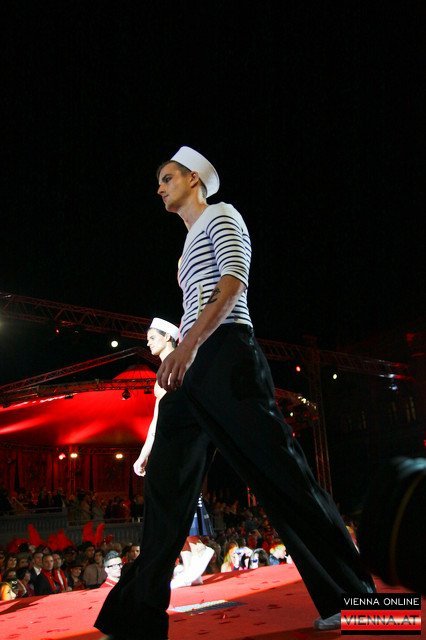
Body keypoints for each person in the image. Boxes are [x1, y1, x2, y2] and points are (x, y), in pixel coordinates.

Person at [95, 146, 375, 640]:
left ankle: (357, 601)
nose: (159, 187)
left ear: (194, 179)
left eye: (167, 177)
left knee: (283, 476)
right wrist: (184, 352)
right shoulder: (184, 250)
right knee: (165, 487)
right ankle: (135, 616)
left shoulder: (222, 215)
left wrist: (188, 346)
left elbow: (232, 284)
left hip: (227, 354)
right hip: (192, 367)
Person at [132, 317, 179, 478]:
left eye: (152, 338)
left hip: (182, 441)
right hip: (168, 440)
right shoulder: (161, 375)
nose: (148, 343)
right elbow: (157, 419)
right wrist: (144, 454)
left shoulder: (181, 366)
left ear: (167, 337)